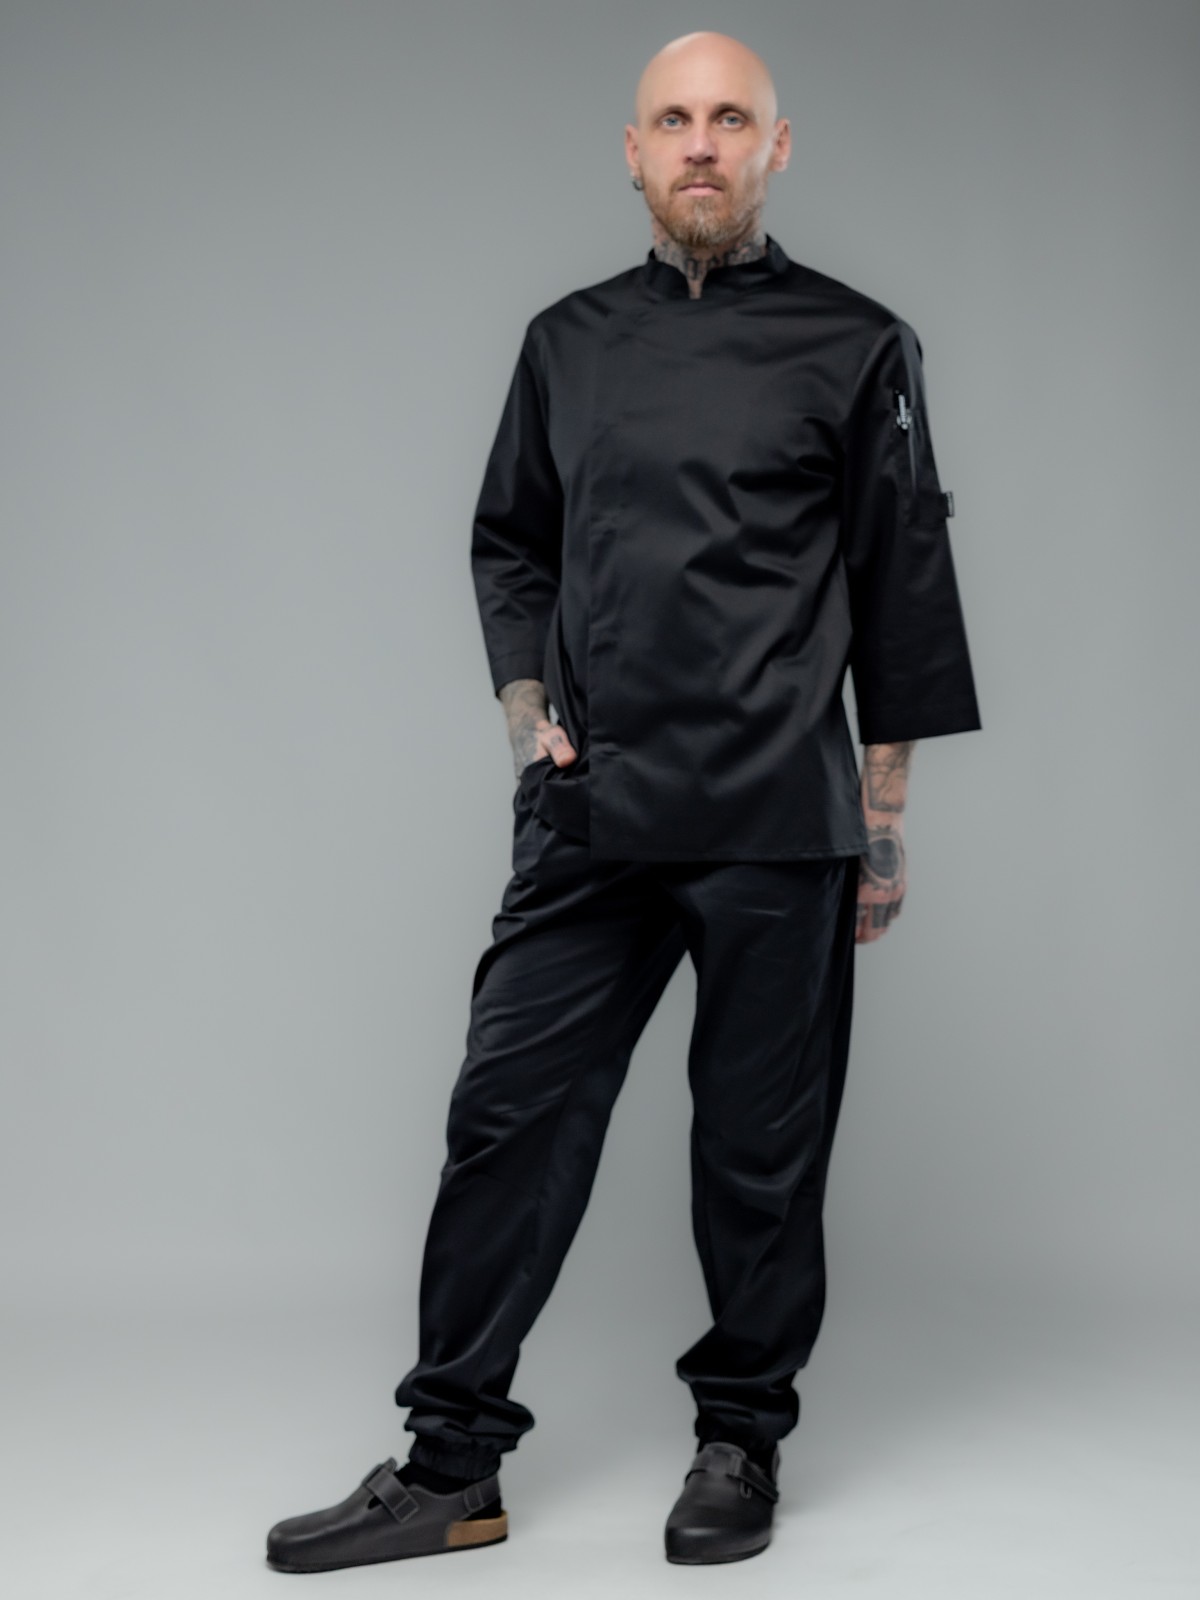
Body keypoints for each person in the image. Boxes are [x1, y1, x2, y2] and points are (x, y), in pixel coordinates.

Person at [265, 28, 981, 1572]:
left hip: (781, 817)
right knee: (506, 1121)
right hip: (592, 814)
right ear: (635, 152)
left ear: (776, 147)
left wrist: (884, 818)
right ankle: (451, 1464)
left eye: (729, 118)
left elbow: (904, 584)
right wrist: (529, 717)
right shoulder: (566, 343)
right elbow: (509, 542)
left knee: (759, 1152)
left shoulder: (859, 343)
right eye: (673, 119)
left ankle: (741, 1439)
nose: (701, 143)